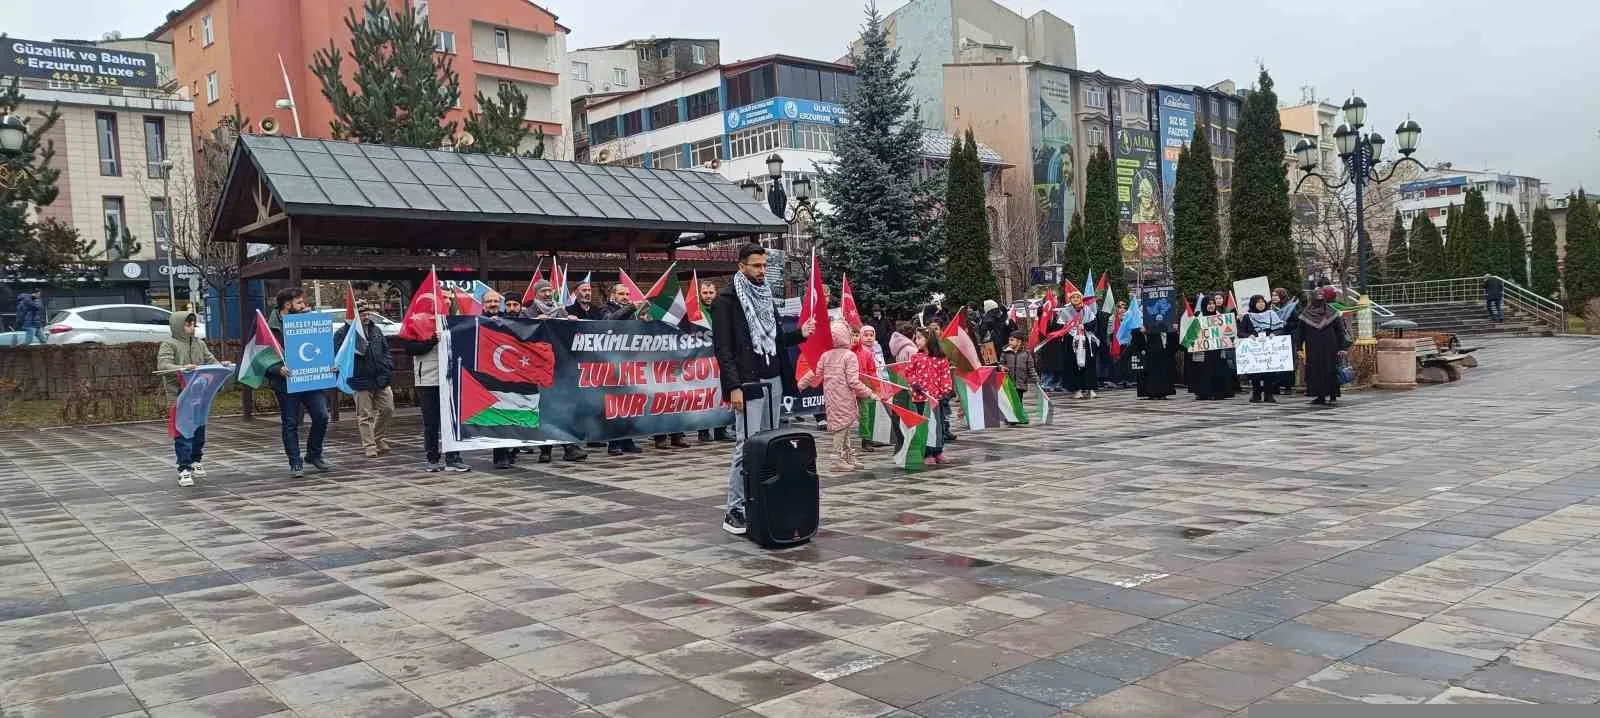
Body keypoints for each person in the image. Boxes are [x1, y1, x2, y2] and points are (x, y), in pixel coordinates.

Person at [711, 244, 814, 535]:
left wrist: (798, 335)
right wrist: (734, 386)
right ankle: (735, 509)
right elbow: (723, 349)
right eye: (756, 266)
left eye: (764, 265)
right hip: (748, 383)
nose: (761, 271)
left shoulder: (766, 295)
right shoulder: (726, 301)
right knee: (746, 446)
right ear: (741, 266)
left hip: (773, 380)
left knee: (770, 446)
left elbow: (775, 339)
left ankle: (761, 501)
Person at [396, 290, 470, 473]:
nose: (447, 301)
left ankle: (454, 458)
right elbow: (410, 348)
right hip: (427, 380)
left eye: (449, 298)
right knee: (431, 423)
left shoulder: (453, 320)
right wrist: (431, 341)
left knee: (452, 421)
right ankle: (432, 458)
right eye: (443, 298)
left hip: (450, 378)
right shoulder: (416, 320)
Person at [265, 288, 331, 477]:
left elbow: (321, 347)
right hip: (286, 383)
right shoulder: (270, 328)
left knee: (322, 416)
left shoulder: (309, 322)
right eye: (300, 302)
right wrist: (278, 369)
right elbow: (261, 357)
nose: (304, 306)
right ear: (288, 305)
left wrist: (329, 364)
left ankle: (314, 454)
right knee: (290, 423)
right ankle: (295, 462)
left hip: (311, 380)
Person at [157, 309, 223, 486]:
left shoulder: (199, 344)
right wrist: (181, 368)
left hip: (199, 396)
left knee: (199, 431)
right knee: (183, 433)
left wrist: (221, 366)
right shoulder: (168, 344)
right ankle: (184, 468)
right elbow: (163, 364)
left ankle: (196, 460)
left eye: (193, 324)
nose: (191, 327)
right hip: (180, 397)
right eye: (187, 324)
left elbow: (210, 360)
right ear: (178, 325)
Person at [526, 280, 588, 463]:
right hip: (540, 367)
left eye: (549, 290)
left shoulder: (561, 310)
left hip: (561, 366)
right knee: (545, 409)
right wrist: (534, 323)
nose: (547, 294)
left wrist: (571, 322)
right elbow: (522, 331)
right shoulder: (529, 312)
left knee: (564, 407)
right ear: (536, 294)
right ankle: (545, 449)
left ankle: (570, 446)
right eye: (543, 291)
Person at [799, 320, 874, 473]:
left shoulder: (826, 355)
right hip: (845, 396)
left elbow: (815, 372)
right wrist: (869, 393)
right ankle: (837, 459)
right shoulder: (850, 356)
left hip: (831, 396)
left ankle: (848, 455)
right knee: (842, 428)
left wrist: (802, 383)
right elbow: (853, 381)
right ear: (845, 336)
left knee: (843, 426)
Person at [335, 302, 395, 457]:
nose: (366, 316)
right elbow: (338, 355)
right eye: (362, 313)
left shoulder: (376, 330)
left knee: (388, 409)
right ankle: (369, 445)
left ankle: (378, 437)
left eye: (367, 313)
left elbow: (385, 350)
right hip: (360, 379)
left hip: (380, 377)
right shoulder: (343, 334)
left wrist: (387, 365)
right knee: (365, 415)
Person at [902, 328, 953, 464]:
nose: (916, 341)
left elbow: (945, 375)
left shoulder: (941, 358)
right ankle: (926, 453)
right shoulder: (916, 357)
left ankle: (938, 450)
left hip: (937, 399)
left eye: (919, 338)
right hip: (921, 399)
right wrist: (915, 384)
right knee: (925, 426)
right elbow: (908, 373)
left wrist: (945, 391)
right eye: (916, 338)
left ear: (929, 339)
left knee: (938, 426)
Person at [1295, 286, 1351, 406]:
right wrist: (1298, 347)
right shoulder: (1306, 314)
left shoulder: (1331, 312)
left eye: (1321, 297)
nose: (1319, 300)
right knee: (1315, 371)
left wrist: (1342, 347)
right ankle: (1319, 396)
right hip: (1313, 348)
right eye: (1317, 297)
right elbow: (1300, 333)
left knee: (1330, 370)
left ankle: (1332, 394)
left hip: (1330, 347)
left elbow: (1340, 331)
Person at [1238, 295, 1284, 403]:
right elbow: (1240, 332)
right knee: (1255, 373)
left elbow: (1280, 329)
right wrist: (1248, 336)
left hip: (1269, 348)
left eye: (1262, 302)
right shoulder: (1247, 317)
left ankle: (1269, 394)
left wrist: (1274, 334)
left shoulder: (1271, 314)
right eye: (1258, 302)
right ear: (1253, 304)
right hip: (1254, 349)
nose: (1261, 304)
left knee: (1269, 372)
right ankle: (1256, 394)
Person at [1185, 294, 1231, 401]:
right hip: (1203, 352)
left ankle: (1217, 392)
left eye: (1213, 304)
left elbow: (1227, 333)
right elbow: (1191, 336)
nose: (1211, 306)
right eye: (1209, 304)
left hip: (1217, 351)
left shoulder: (1221, 317)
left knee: (1217, 371)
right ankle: (1203, 392)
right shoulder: (1198, 318)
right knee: (1203, 372)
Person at [999, 331, 1039, 425]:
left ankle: (1019, 417)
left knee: (1018, 401)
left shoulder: (1026, 354)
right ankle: (1011, 418)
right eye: (1009, 339)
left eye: (1012, 340)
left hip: (1021, 382)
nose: (1010, 342)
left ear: (1019, 342)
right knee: (1010, 401)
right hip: (1009, 382)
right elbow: (1001, 363)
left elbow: (1031, 369)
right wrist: (1002, 367)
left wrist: (1036, 379)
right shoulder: (1005, 352)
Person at [1132, 324, 1181, 399]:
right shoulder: (1145, 321)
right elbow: (1135, 333)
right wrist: (1140, 331)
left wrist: (1174, 329)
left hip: (1165, 352)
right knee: (1151, 372)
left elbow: (1174, 342)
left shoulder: (1168, 322)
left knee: (1165, 371)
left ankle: (1164, 392)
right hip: (1150, 353)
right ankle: (1151, 392)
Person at [1272, 288, 1300, 395]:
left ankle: (1288, 385)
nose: (1274, 297)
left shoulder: (1290, 308)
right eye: (1273, 295)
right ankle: (1275, 386)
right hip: (1274, 338)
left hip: (1286, 339)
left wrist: (1285, 324)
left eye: (1276, 295)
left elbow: (1296, 323)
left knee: (1286, 362)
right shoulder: (1270, 307)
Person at [978, 300, 1013, 365]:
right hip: (1005, 345)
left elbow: (983, 333)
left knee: (992, 367)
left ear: (987, 307)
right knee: (1004, 365)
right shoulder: (1003, 316)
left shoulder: (987, 319)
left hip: (989, 346)